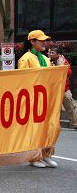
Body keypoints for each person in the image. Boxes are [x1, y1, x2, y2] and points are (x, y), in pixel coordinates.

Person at [18, 30, 58, 168]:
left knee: (50, 127)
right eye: (41, 40)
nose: (44, 43)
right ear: (32, 42)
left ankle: (46, 154)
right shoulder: (26, 58)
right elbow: (23, 81)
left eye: (45, 40)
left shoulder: (45, 58)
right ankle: (34, 157)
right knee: (35, 129)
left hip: (47, 98)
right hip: (34, 99)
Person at [48, 46, 77, 130]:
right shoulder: (47, 60)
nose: (50, 54)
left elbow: (69, 72)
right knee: (55, 108)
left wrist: (60, 66)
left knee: (70, 106)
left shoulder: (63, 61)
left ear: (58, 54)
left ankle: (75, 124)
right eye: (49, 52)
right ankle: (54, 125)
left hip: (64, 89)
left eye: (52, 52)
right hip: (52, 89)